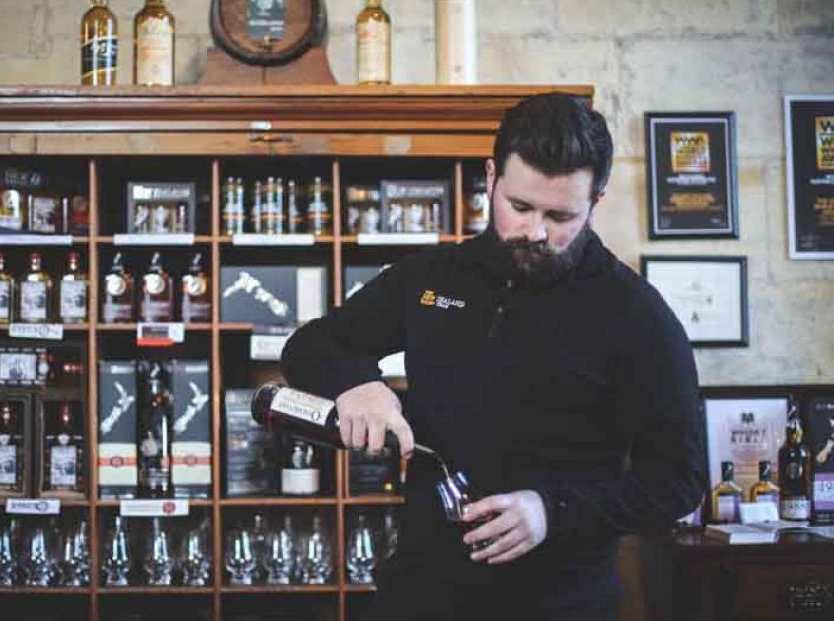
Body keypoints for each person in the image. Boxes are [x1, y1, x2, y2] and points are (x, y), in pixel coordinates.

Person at [280, 93, 705, 620]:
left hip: (560, 604)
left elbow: (679, 479)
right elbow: (311, 345)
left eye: (562, 215)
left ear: (596, 200)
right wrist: (356, 382)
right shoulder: (432, 279)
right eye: (520, 207)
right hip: (420, 596)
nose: (536, 232)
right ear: (491, 178)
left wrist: (552, 511)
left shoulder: (636, 315)